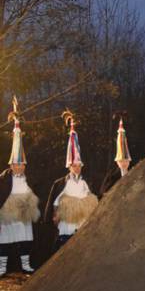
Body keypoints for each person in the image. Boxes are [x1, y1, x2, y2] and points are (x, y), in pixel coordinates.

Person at [44, 118, 98, 252]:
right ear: (69, 166)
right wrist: (55, 215)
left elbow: (91, 199)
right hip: (67, 220)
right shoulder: (62, 183)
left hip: (82, 220)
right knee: (65, 248)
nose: (77, 168)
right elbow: (55, 202)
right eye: (74, 166)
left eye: (79, 166)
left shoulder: (86, 182)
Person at [0, 118, 40, 276]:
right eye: (16, 165)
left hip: (23, 212)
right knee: (4, 240)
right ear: (11, 165)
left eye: (22, 165)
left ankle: (26, 265)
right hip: (7, 212)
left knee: (25, 238)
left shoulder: (28, 178)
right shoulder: (3, 178)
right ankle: (2, 267)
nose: (19, 168)